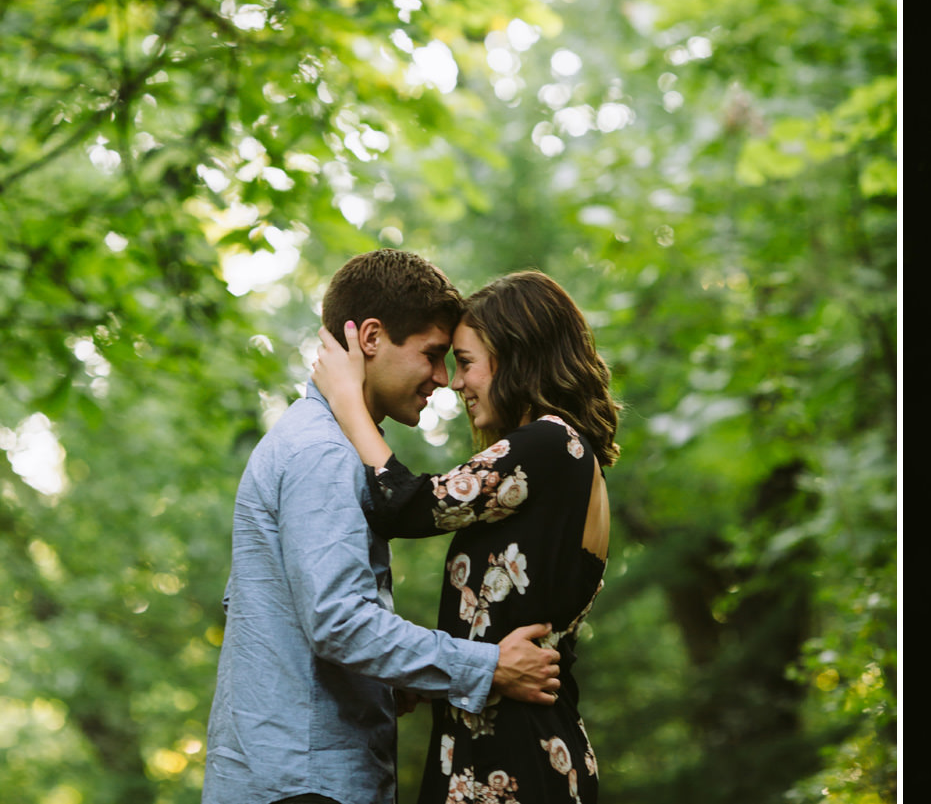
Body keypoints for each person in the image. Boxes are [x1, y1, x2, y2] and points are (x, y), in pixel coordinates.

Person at [203, 249, 562, 804]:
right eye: (432, 355)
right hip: (305, 785)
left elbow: (276, 616)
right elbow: (337, 621)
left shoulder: (310, 441)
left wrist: (385, 681)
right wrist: (488, 667)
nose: (442, 380)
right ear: (371, 337)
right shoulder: (321, 453)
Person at [314, 268, 620, 804]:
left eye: (467, 362)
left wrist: (347, 403)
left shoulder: (550, 442)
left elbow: (406, 505)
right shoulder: (565, 459)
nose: (455, 382)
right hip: (508, 742)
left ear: (517, 358)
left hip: (513, 758)